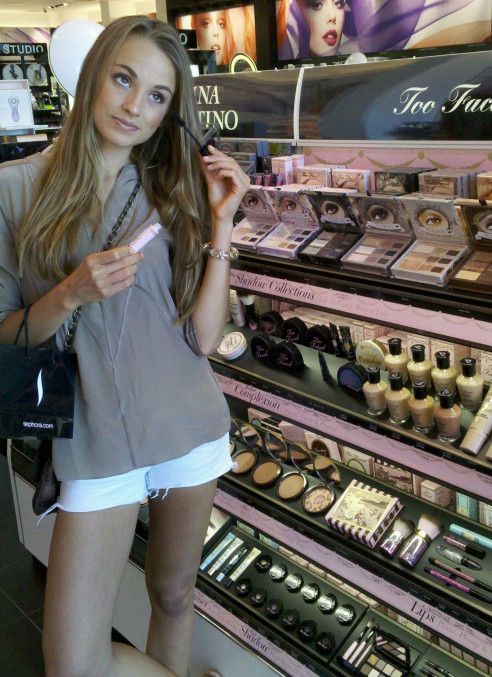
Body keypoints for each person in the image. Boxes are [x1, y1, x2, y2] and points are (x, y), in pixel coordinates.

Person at [0, 15, 249, 677]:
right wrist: (69, 294)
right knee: (72, 663)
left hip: (186, 421)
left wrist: (222, 224)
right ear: (94, 75)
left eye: (158, 95)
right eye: (123, 79)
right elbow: (6, 334)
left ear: (170, 111)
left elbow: (204, 337)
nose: (135, 105)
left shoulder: (172, 191)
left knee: (173, 595)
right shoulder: (16, 189)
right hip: (94, 438)